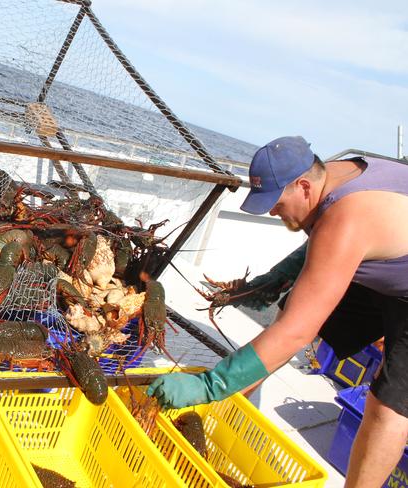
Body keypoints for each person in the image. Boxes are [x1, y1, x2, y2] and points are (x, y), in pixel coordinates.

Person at [148, 136, 408, 487]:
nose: (272, 212)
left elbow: (298, 329)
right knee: (294, 308)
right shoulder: (331, 175)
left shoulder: (347, 218)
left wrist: (211, 383)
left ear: (302, 186)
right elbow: (328, 236)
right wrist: (281, 275)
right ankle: (210, 418)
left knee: (388, 403)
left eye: (275, 202)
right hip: (391, 260)